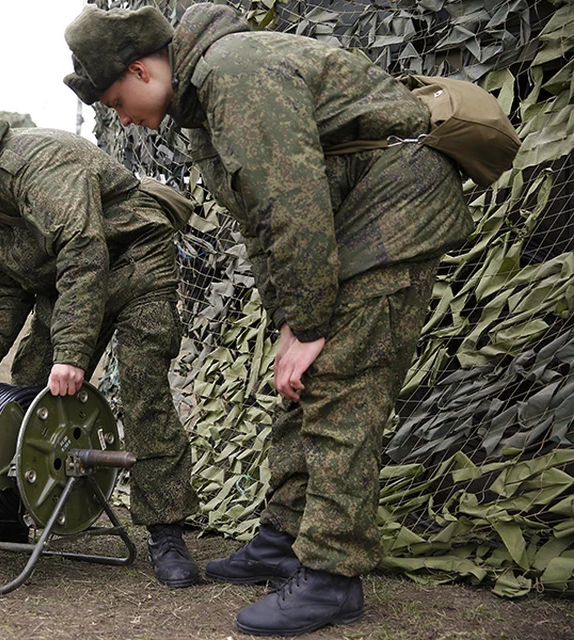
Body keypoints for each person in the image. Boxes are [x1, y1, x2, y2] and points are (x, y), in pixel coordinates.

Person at [64, 3, 473, 636]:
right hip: (347, 220)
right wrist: (290, 319)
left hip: (396, 208)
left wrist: (310, 329)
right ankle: (284, 539)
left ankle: (333, 576)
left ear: (142, 71)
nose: (120, 118)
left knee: (342, 386)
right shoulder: (199, 103)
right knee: (301, 386)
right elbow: (259, 222)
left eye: (115, 101)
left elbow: (293, 203)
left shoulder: (236, 75)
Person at [0, 112, 201, 588]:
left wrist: (72, 354)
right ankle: (3, 512)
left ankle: (166, 530)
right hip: (69, 285)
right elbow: (5, 283)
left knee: (142, 384)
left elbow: (82, 254)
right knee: (29, 379)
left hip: (134, 268)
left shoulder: (35, 164)